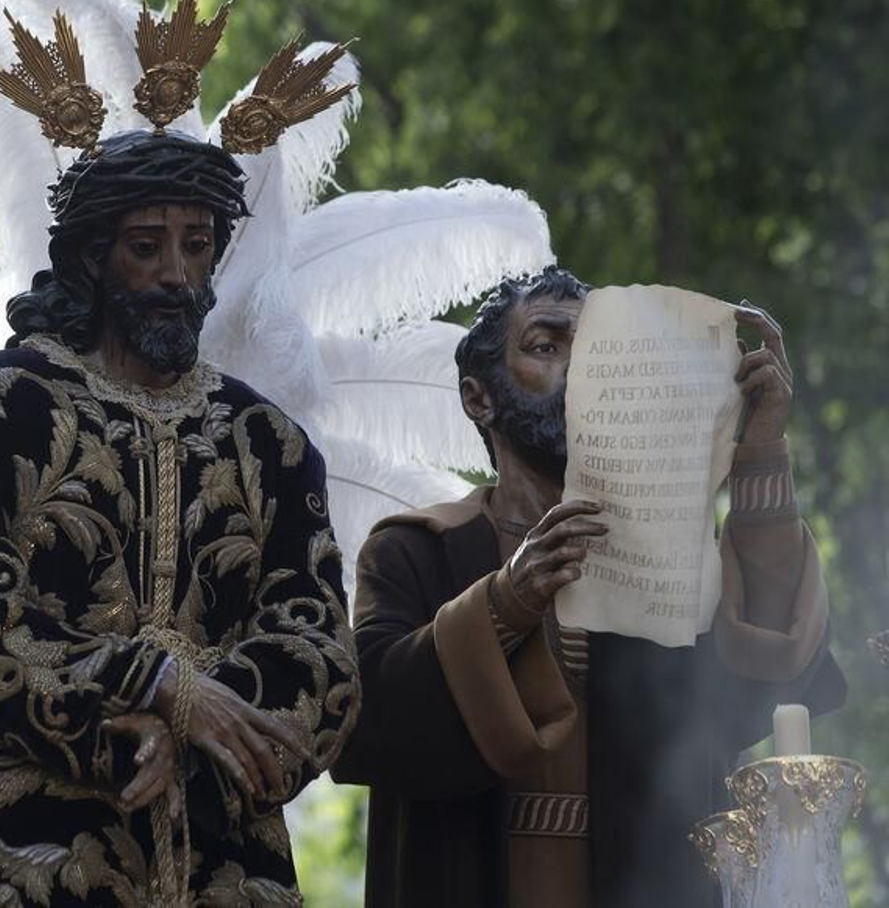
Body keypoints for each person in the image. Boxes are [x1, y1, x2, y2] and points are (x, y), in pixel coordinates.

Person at [0, 0, 361, 905]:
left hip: (224, 851)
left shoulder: (270, 443)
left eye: (196, 245)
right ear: (95, 258)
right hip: (32, 848)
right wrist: (152, 689)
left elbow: (322, 653)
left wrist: (204, 715)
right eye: (147, 247)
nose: (176, 275)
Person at [333, 267, 845, 908]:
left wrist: (763, 449)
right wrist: (503, 605)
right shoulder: (416, 550)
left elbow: (765, 679)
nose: (580, 369)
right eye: (547, 346)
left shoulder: (665, 561)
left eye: (595, 348)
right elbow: (366, 721)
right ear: (478, 398)